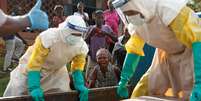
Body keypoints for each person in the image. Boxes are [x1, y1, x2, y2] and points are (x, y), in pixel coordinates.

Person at [112, 0, 201, 100]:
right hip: (165, 55)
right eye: (126, 14)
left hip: (193, 55)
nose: (131, 17)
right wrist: (124, 79)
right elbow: (134, 49)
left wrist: (199, 83)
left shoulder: (169, 10)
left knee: (190, 95)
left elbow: (197, 40)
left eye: (131, 12)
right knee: (143, 90)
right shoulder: (137, 23)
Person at [3, 15, 89, 101]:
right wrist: (34, 87)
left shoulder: (81, 46)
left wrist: (79, 84)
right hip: (30, 70)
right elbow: (35, 63)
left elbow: (77, 67)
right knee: (18, 93)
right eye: (74, 34)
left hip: (56, 71)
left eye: (79, 35)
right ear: (66, 29)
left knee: (61, 93)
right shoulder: (49, 37)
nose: (76, 37)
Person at [84, 10, 118, 79]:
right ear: (94, 18)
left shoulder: (106, 28)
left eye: (102, 18)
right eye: (98, 17)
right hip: (92, 58)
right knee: (89, 78)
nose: (100, 20)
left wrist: (106, 33)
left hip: (103, 59)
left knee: (103, 77)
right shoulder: (90, 28)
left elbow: (116, 39)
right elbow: (84, 42)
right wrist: (91, 33)